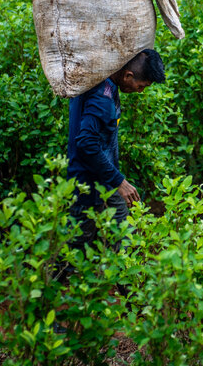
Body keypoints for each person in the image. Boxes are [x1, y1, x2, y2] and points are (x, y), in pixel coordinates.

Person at [66, 48, 166, 250]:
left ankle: (122, 277)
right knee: (76, 245)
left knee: (122, 227)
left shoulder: (106, 84)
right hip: (87, 184)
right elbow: (86, 143)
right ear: (128, 75)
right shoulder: (102, 97)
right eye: (141, 86)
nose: (140, 91)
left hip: (104, 180)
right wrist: (119, 181)